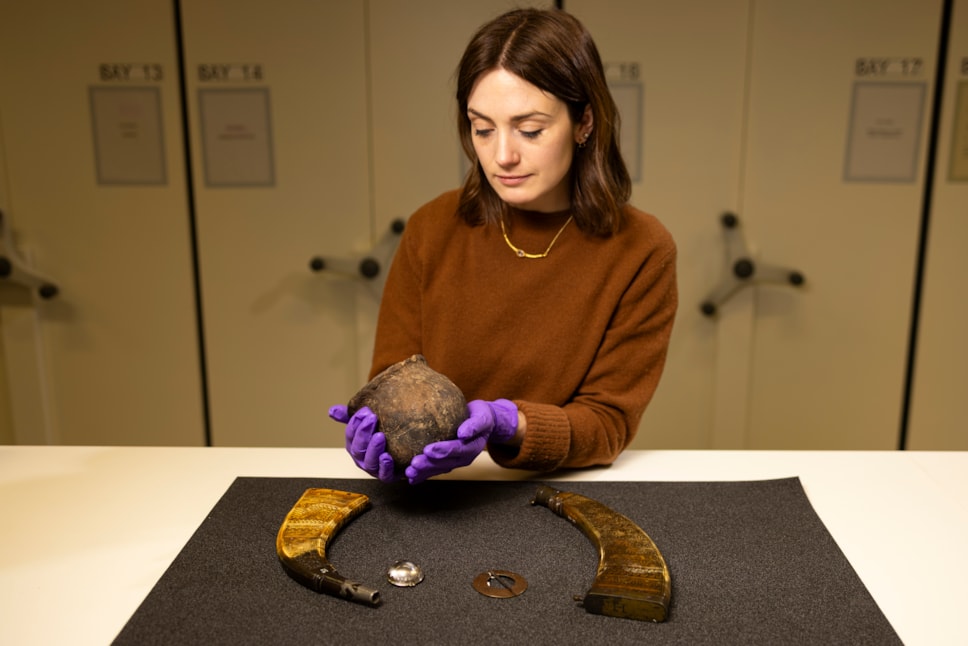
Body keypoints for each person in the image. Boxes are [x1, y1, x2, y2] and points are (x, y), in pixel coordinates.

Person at [329, 8, 677, 484]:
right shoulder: (432, 228)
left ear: (584, 123)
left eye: (530, 130)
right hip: (440, 492)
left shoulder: (641, 249)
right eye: (482, 128)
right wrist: (378, 429)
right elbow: (396, 374)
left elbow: (608, 424)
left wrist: (509, 423)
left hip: (555, 490)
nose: (502, 156)